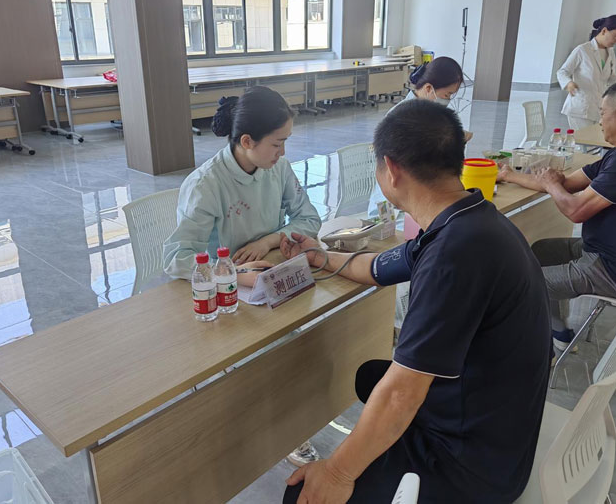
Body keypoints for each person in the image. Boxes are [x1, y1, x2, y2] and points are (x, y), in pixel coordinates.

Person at [281, 99, 551, 503]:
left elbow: (403, 393)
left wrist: (336, 472)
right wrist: (317, 256)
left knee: (303, 495)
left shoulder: (453, 256)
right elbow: (376, 267)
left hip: (471, 466)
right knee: (370, 377)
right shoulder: (468, 219)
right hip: (495, 419)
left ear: (391, 169)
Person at [162, 86, 323, 467]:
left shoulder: (276, 168)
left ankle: (290, 421)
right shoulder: (207, 184)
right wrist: (236, 272)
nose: (283, 152)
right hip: (225, 298)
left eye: (285, 142)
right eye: (277, 143)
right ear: (247, 141)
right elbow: (176, 258)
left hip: (269, 281)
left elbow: (309, 217)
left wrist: (270, 239)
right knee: (277, 363)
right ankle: (281, 430)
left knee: (305, 347)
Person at [497, 78, 616, 353]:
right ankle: (558, 329)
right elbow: (568, 183)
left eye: (602, 114)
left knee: (519, 282)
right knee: (541, 250)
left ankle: (532, 349)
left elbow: (575, 209)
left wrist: (551, 184)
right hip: (606, 249)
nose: (600, 122)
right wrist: (509, 175)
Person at [368, 56, 472, 217]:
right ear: (429, 88)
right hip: (396, 207)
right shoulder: (403, 116)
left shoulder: (428, 113)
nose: (448, 100)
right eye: (447, 95)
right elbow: (416, 167)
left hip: (416, 200)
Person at [557, 15, 616, 130]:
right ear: (604, 31)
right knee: (584, 140)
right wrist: (569, 83)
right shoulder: (582, 50)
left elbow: (610, 79)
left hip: (598, 107)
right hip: (580, 108)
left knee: (594, 139)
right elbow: (562, 72)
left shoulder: (610, 53)